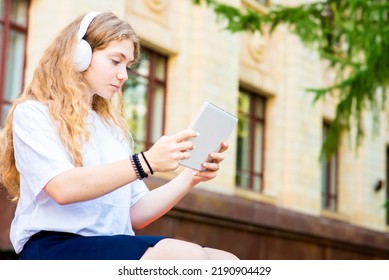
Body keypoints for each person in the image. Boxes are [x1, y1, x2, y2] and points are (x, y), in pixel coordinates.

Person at [0, 11, 238, 260]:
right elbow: (62, 188)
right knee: (187, 258)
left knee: (226, 261)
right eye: (116, 61)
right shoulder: (34, 113)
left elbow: (136, 213)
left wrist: (191, 176)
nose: (124, 75)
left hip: (110, 244)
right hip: (55, 247)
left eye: (128, 66)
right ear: (79, 55)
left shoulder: (112, 130)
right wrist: (146, 162)